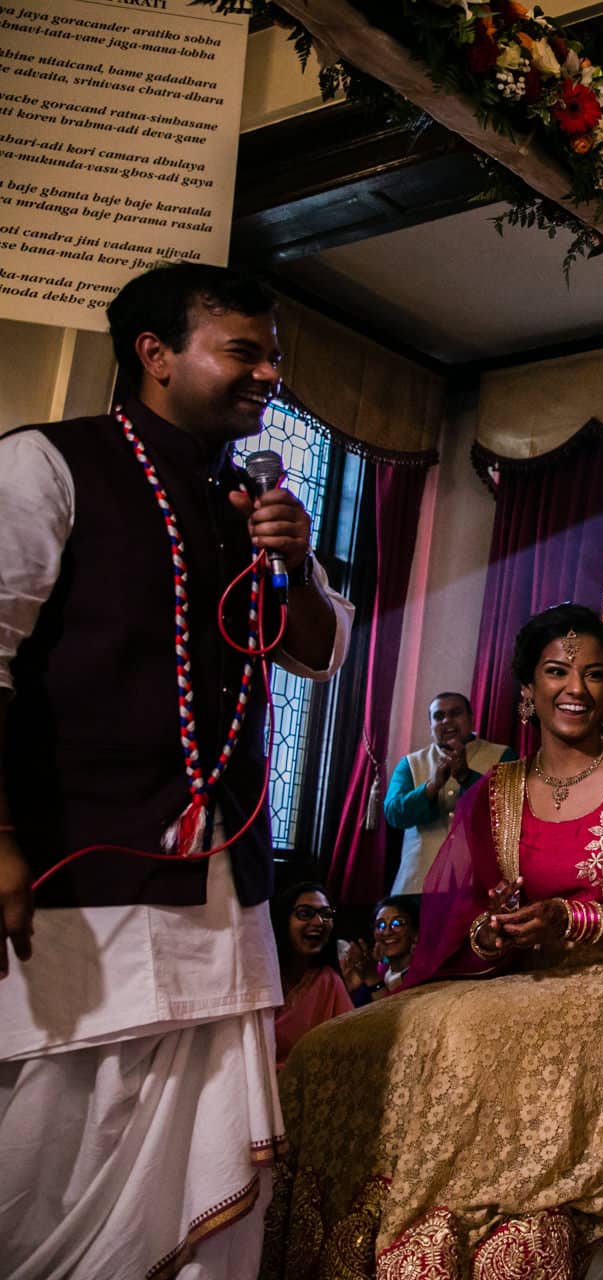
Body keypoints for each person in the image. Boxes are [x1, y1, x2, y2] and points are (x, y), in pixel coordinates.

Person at [0, 263, 350, 1279]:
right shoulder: (48, 464)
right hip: (79, 882)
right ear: (155, 355)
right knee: (50, 1154)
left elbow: (319, 650)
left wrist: (291, 559)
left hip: (219, 892)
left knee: (203, 1176)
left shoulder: (250, 498)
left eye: (273, 352)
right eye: (244, 349)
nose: (269, 371)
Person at [263, 604, 603, 1276]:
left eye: (593, 674)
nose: (576, 689)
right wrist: (493, 930)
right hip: (515, 980)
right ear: (527, 691)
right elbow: (466, 922)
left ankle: (447, 1248)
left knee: (459, 1042)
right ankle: (341, 1250)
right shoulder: (496, 792)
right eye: (557, 671)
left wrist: (578, 920)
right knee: (337, 1044)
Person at [385, 691, 515, 895]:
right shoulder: (410, 763)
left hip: (479, 885)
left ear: (471, 720)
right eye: (438, 716)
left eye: (455, 713)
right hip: (417, 885)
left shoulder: (502, 755)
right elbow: (394, 814)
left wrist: (465, 777)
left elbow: (509, 812)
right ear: (431, 726)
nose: (447, 720)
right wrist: (431, 787)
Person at [271, 882, 352, 1070]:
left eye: (326, 914)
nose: (318, 923)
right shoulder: (260, 975)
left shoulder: (329, 982)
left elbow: (348, 1046)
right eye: (305, 913)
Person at [340, 895, 418, 1005]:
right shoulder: (380, 970)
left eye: (397, 923)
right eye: (380, 925)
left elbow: (392, 1015)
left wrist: (372, 979)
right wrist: (349, 987)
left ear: (415, 933)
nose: (386, 932)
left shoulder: (421, 976)